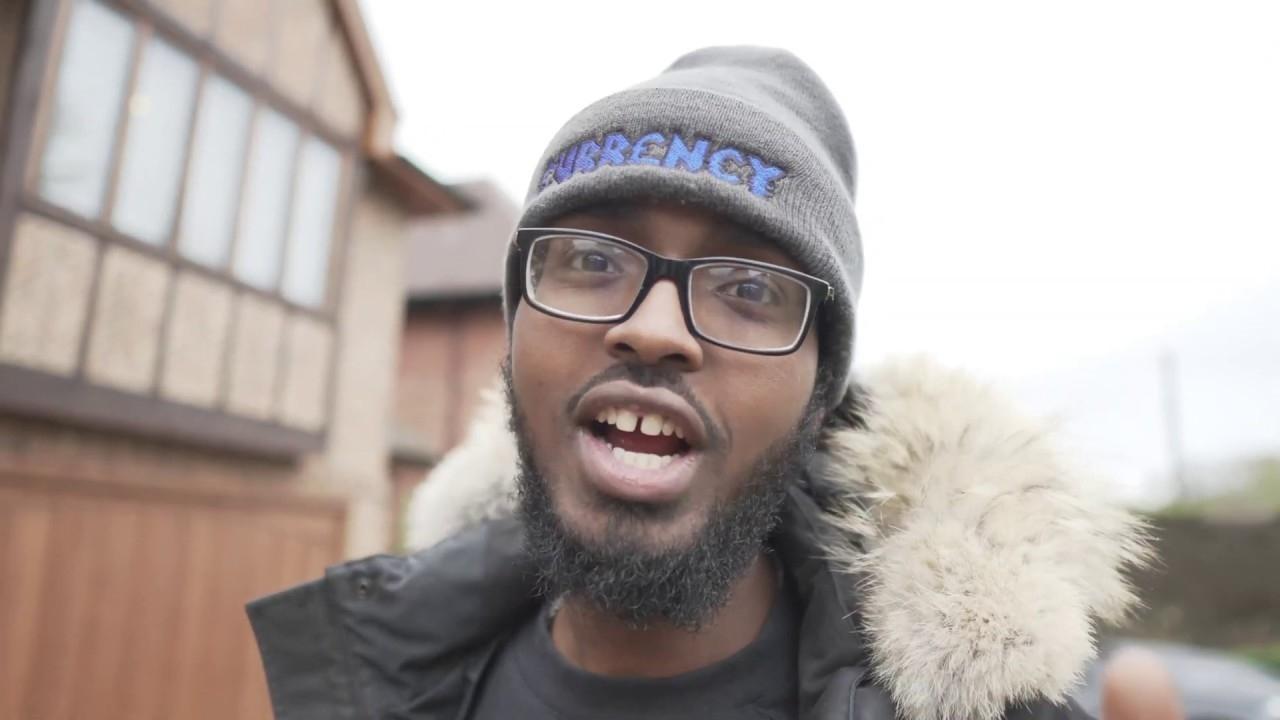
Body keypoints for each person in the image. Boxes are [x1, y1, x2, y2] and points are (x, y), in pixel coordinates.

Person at [248, 47, 1163, 720]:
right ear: (514, 333)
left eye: (752, 289)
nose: (652, 328)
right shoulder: (375, 684)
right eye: (593, 258)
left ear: (818, 400)